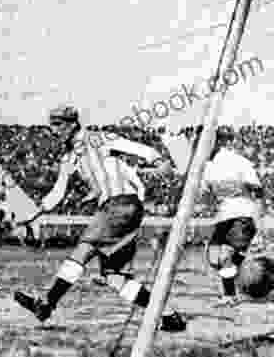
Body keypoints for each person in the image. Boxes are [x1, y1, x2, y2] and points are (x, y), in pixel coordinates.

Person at [13, 106, 186, 332]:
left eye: (59, 125)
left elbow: (135, 148)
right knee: (114, 278)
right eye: (52, 126)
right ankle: (169, 316)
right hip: (120, 208)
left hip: (120, 204)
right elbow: (57, 192)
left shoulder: (97, 138)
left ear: (72, 124)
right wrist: (32, 214)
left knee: (83, 251)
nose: (54, 131)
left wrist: (157, 159)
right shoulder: (69, 157)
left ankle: (46, 304)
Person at [196, 128, 265, 306]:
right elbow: (204, 194)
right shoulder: (205, 166)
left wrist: (259, 219)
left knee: (224, 256)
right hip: (223, 216)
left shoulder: (237, 161)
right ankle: (243, 270)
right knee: (213, 258)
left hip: (243, 213)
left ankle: (230, 296)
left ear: (217, 142)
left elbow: (257, 190)